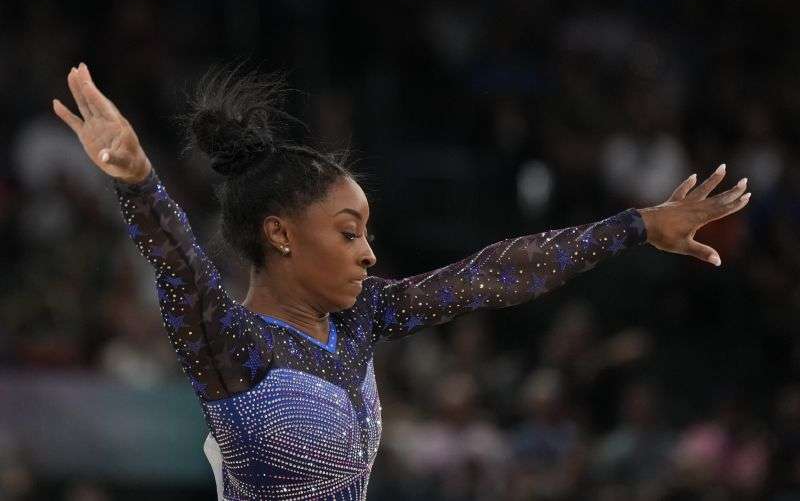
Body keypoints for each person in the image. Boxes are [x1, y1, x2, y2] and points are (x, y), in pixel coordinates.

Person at [52, 62, 751, 501]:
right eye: (349, 231)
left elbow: (489, 276)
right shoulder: (231, 344)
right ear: (281, 234)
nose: (367, 254)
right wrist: (139, 180)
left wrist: (633, 226)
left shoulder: (361, 319)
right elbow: (178, 263)